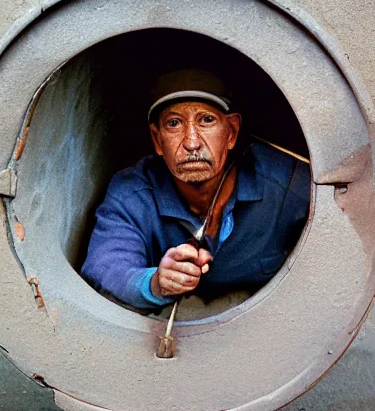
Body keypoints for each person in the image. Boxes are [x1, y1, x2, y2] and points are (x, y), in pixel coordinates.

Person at [81, 69, 310, 310]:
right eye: (174, 123)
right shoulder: (132, 194)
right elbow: (106, 268)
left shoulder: (287, 185)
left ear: (231, 132)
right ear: (157, 140)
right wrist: (155, 283)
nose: (192, 142)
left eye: (206, 120)